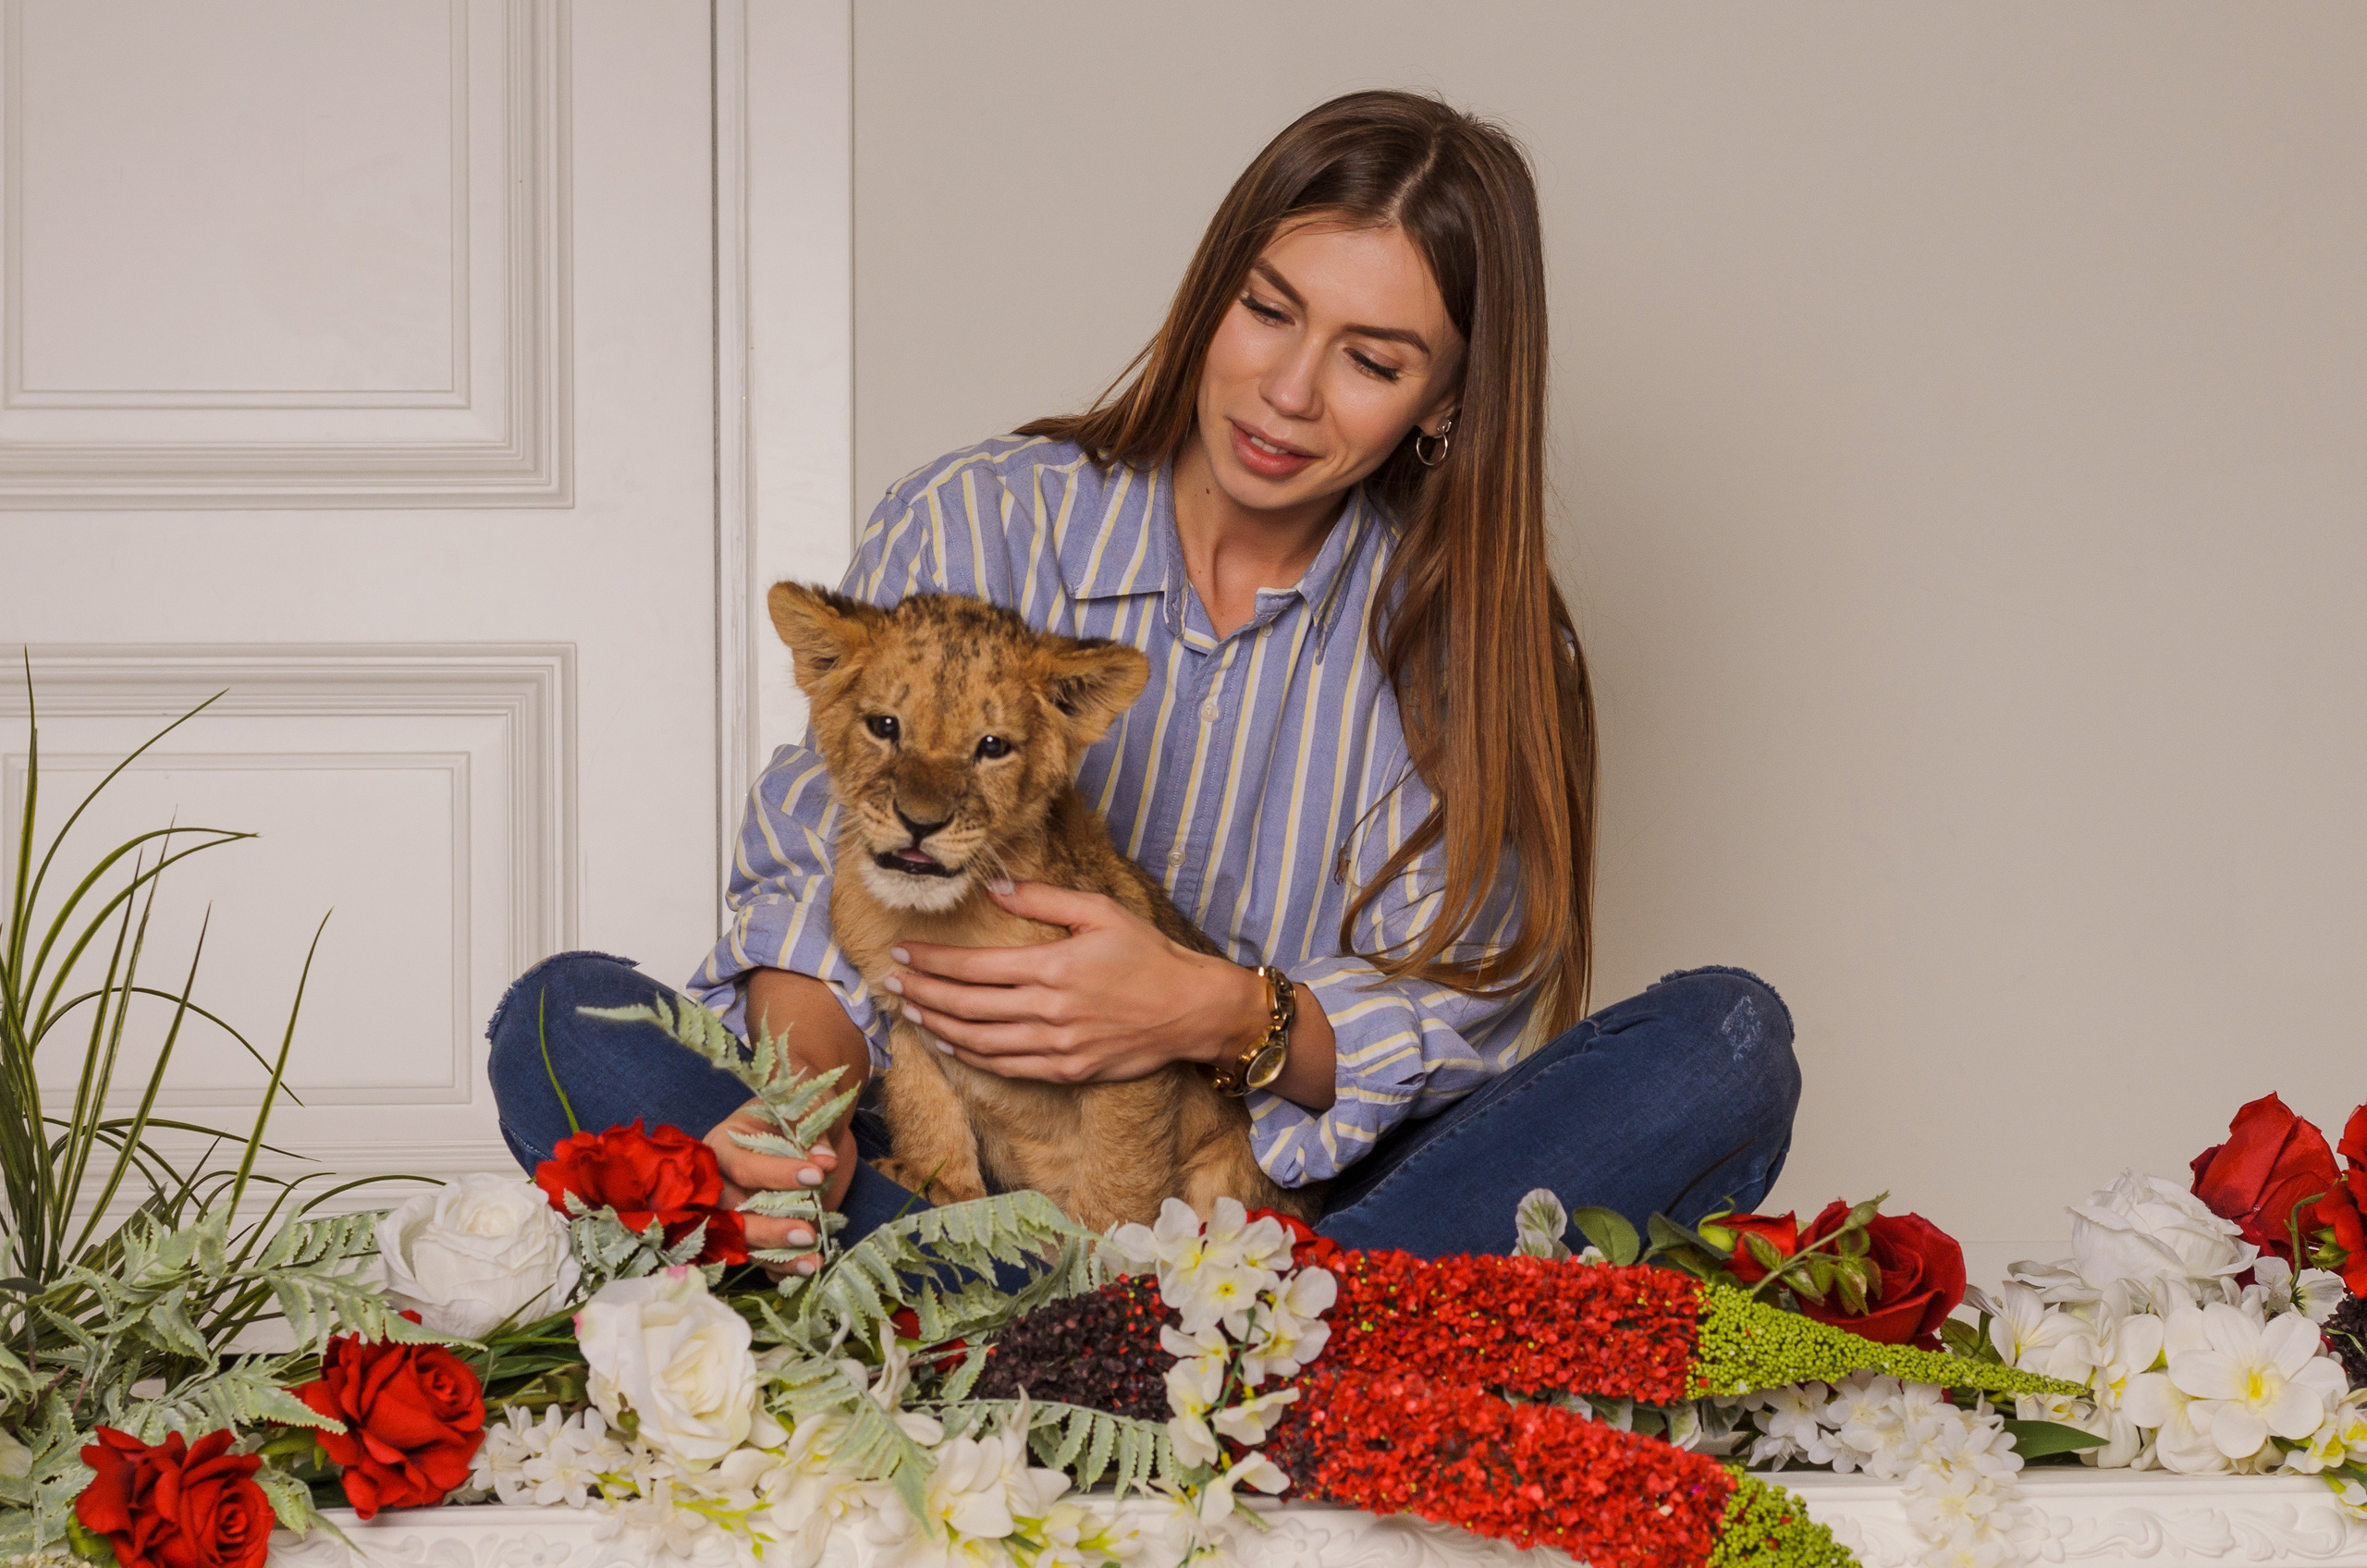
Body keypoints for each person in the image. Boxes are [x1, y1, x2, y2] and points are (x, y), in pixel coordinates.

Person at [487, 89, 1798, 1274]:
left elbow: (1470, 1027)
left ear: (1446, 402)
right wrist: (801, 1123)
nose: (1286, 393)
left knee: (1726, 1047)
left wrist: (1215, 1012)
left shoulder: (1479, 646)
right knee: (560, 1024)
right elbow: (802, 901)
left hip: (1299, 1210)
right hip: (945, 1162)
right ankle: (1182, 1363)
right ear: (1210, 291)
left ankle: (1089, 1337)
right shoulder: (977, 517)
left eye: (1372, 359)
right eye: (1268, 310)